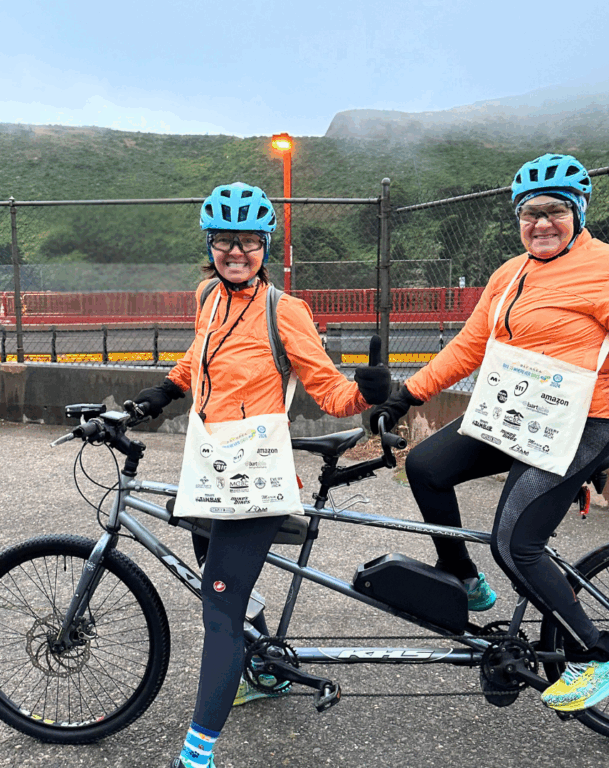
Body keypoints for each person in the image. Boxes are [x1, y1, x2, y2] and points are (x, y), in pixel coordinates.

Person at [371, 153, 609, 712]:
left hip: (584, 422)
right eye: (530, 213)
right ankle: (463, 576)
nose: (541, 223)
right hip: (519, 414)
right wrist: (407, 394)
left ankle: (601, 658)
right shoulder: (509, 274)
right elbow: (468, 346)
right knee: (426, 467)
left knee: (516, 543)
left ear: (579, 212)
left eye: (555, 210)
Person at [132, 182, 390, 768]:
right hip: (208, 465)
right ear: (211, 245)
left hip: (256, 474)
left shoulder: (285, 310)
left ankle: (197, 755)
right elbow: (197, 358)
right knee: (217, 580)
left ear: (264, 246)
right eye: (225, 241)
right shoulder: (207, 296)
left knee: (218, 611)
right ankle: (268, 673)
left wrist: (366, 395)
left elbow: (327, 389)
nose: (236, 252)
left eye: (248, 241)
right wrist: (159, 394)